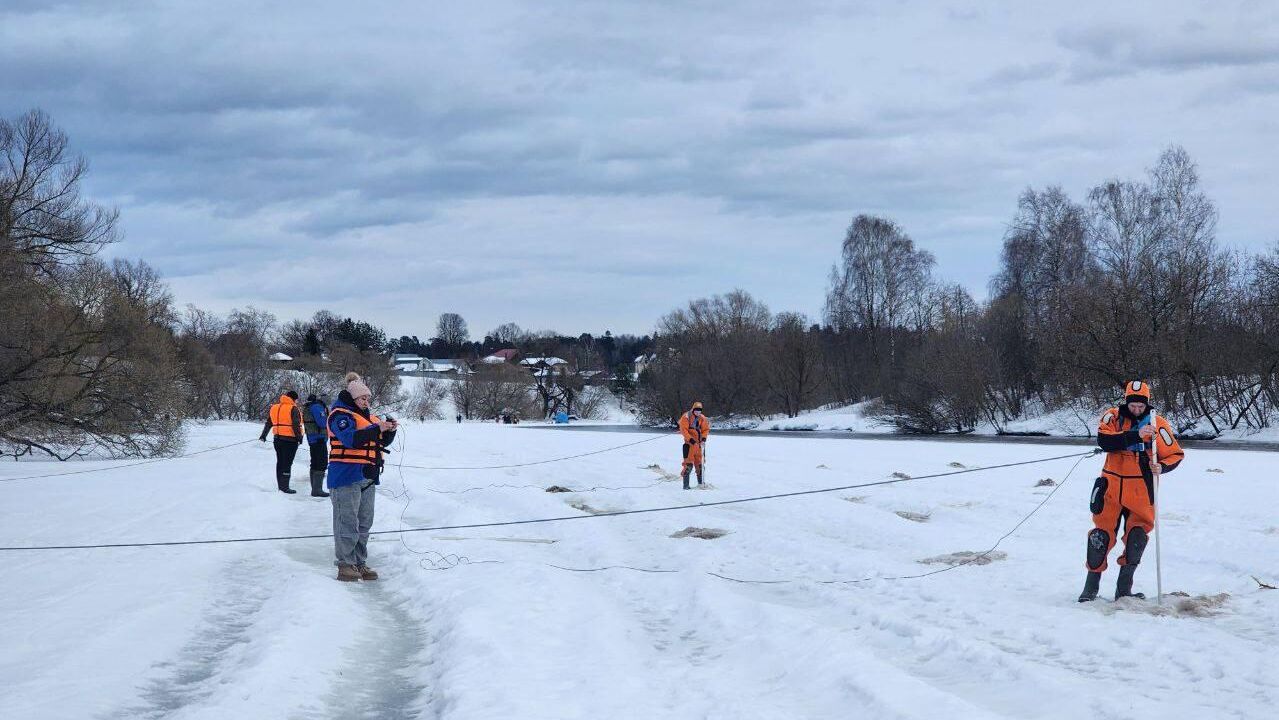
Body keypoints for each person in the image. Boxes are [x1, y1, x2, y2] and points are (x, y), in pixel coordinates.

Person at [1079, 380, 1185, 602]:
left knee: (1137, 538)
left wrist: (1162, 467)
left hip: (1141, 489)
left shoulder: (1159, 424)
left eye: (1141, 406)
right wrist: (1136, 435)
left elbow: (1175, 454)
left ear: (1147, 404)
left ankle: (1124, 591)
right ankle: (1089, 590)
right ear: (1126, 402)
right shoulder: (1112, 417)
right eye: (1132, 405)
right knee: (1100, 537)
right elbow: (1104, 440)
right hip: (1111, 485)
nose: (1136, 409)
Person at [327, 372, 398, 582]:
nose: (366, 401)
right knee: (347, 521)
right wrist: (377, 428)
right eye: (362, 398)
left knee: (364, 522)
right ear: (353, 398)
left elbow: (379, 443)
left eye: (368, 398)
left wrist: (389, 431)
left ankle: (359, 562)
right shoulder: (340, 415)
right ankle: (345, 564)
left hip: (367, 476)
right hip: (345, 475)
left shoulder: (369, 417)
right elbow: (351, 440)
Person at [259, 390, 303, 494]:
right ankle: (285, 487)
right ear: (293, 398)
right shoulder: (293, 408)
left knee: (280, 462)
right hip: (290, 440)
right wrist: (299, 437)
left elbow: (269, 423)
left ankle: (281, 486)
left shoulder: (274, 407)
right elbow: (296, 424)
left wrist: (263, 435)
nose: (296, 402)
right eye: (296, 399)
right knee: (287, 463)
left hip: (277, 439)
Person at [302, 394, 330, 498]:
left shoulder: (308, 407)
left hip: (312, 438)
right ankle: (317, 490)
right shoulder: (317, 407)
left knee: (314, 462)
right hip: (319, 438)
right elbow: (322, 423)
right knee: (321, 463)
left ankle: (315, 488)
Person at [678, 401, 711, 490]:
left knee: (700, 465)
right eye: (696, 410)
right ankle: (686, 486)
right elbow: (683, 430)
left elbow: (706, 429)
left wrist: (704, 439)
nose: (698, 412)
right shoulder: (686, 417)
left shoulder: (702, 418)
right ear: (693, 409)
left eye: (700, 411)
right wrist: (691, 440)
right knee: (688, 465)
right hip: (689, 445)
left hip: (700, 446)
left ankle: (700, 484)